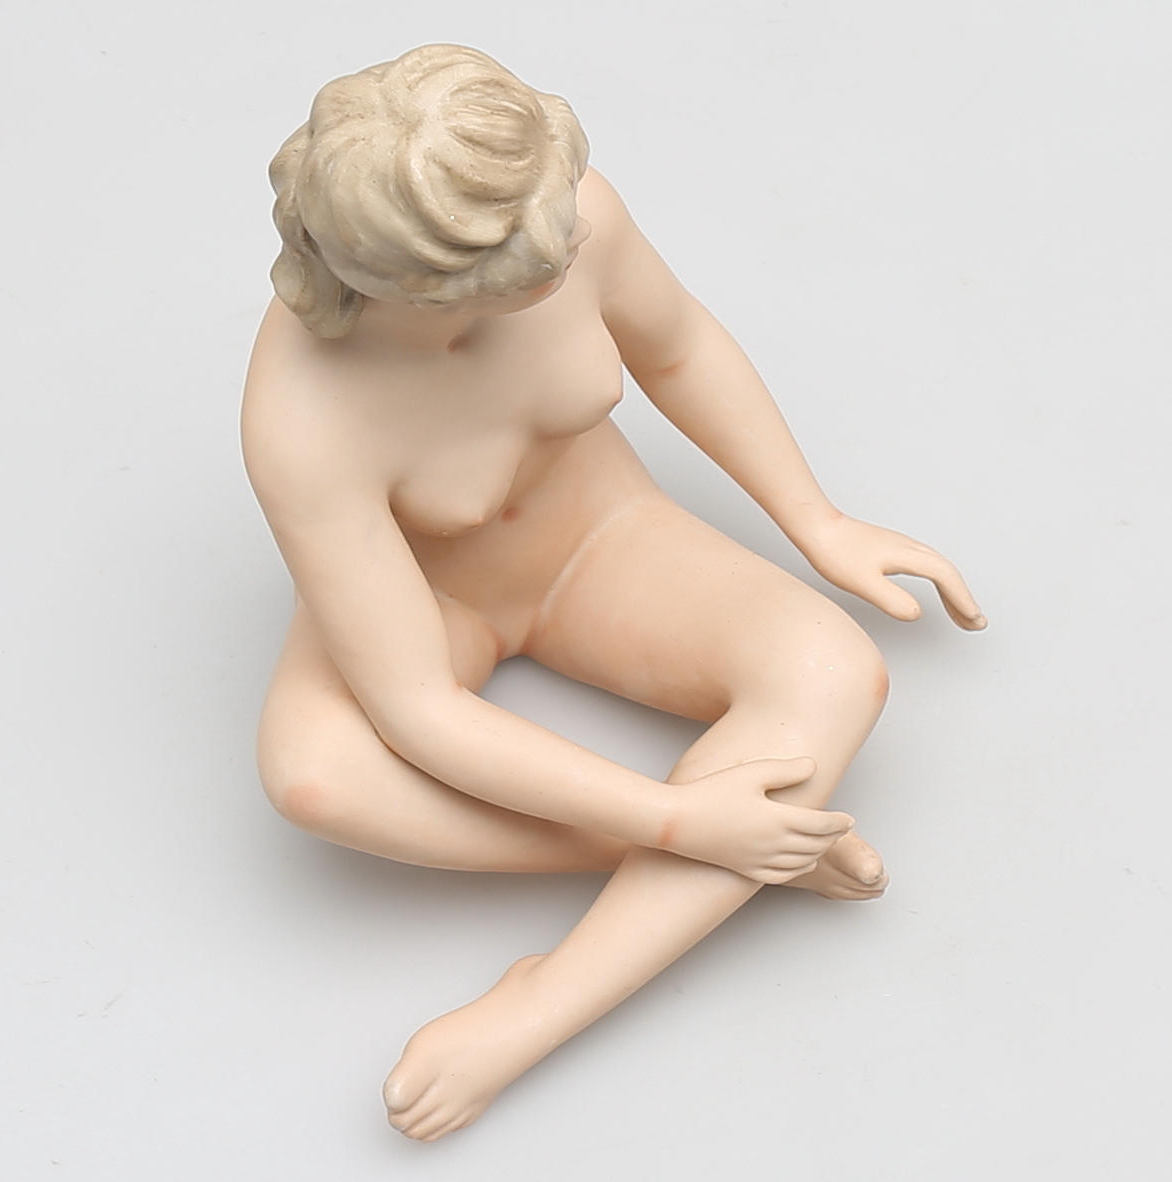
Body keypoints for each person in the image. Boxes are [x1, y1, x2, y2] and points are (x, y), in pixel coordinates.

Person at [242, 44, 986, 1144]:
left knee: (833, 668)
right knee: (316, 780)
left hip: (602, 542)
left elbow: (677, 349)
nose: (574, 244)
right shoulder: (304, 418)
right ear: (419, 286)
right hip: (432, 599)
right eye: (535, 263)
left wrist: (818, 520)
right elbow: (418, 708)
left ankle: (541, 1005)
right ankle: (733, 855)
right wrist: (676, 819)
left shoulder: (569, 209)